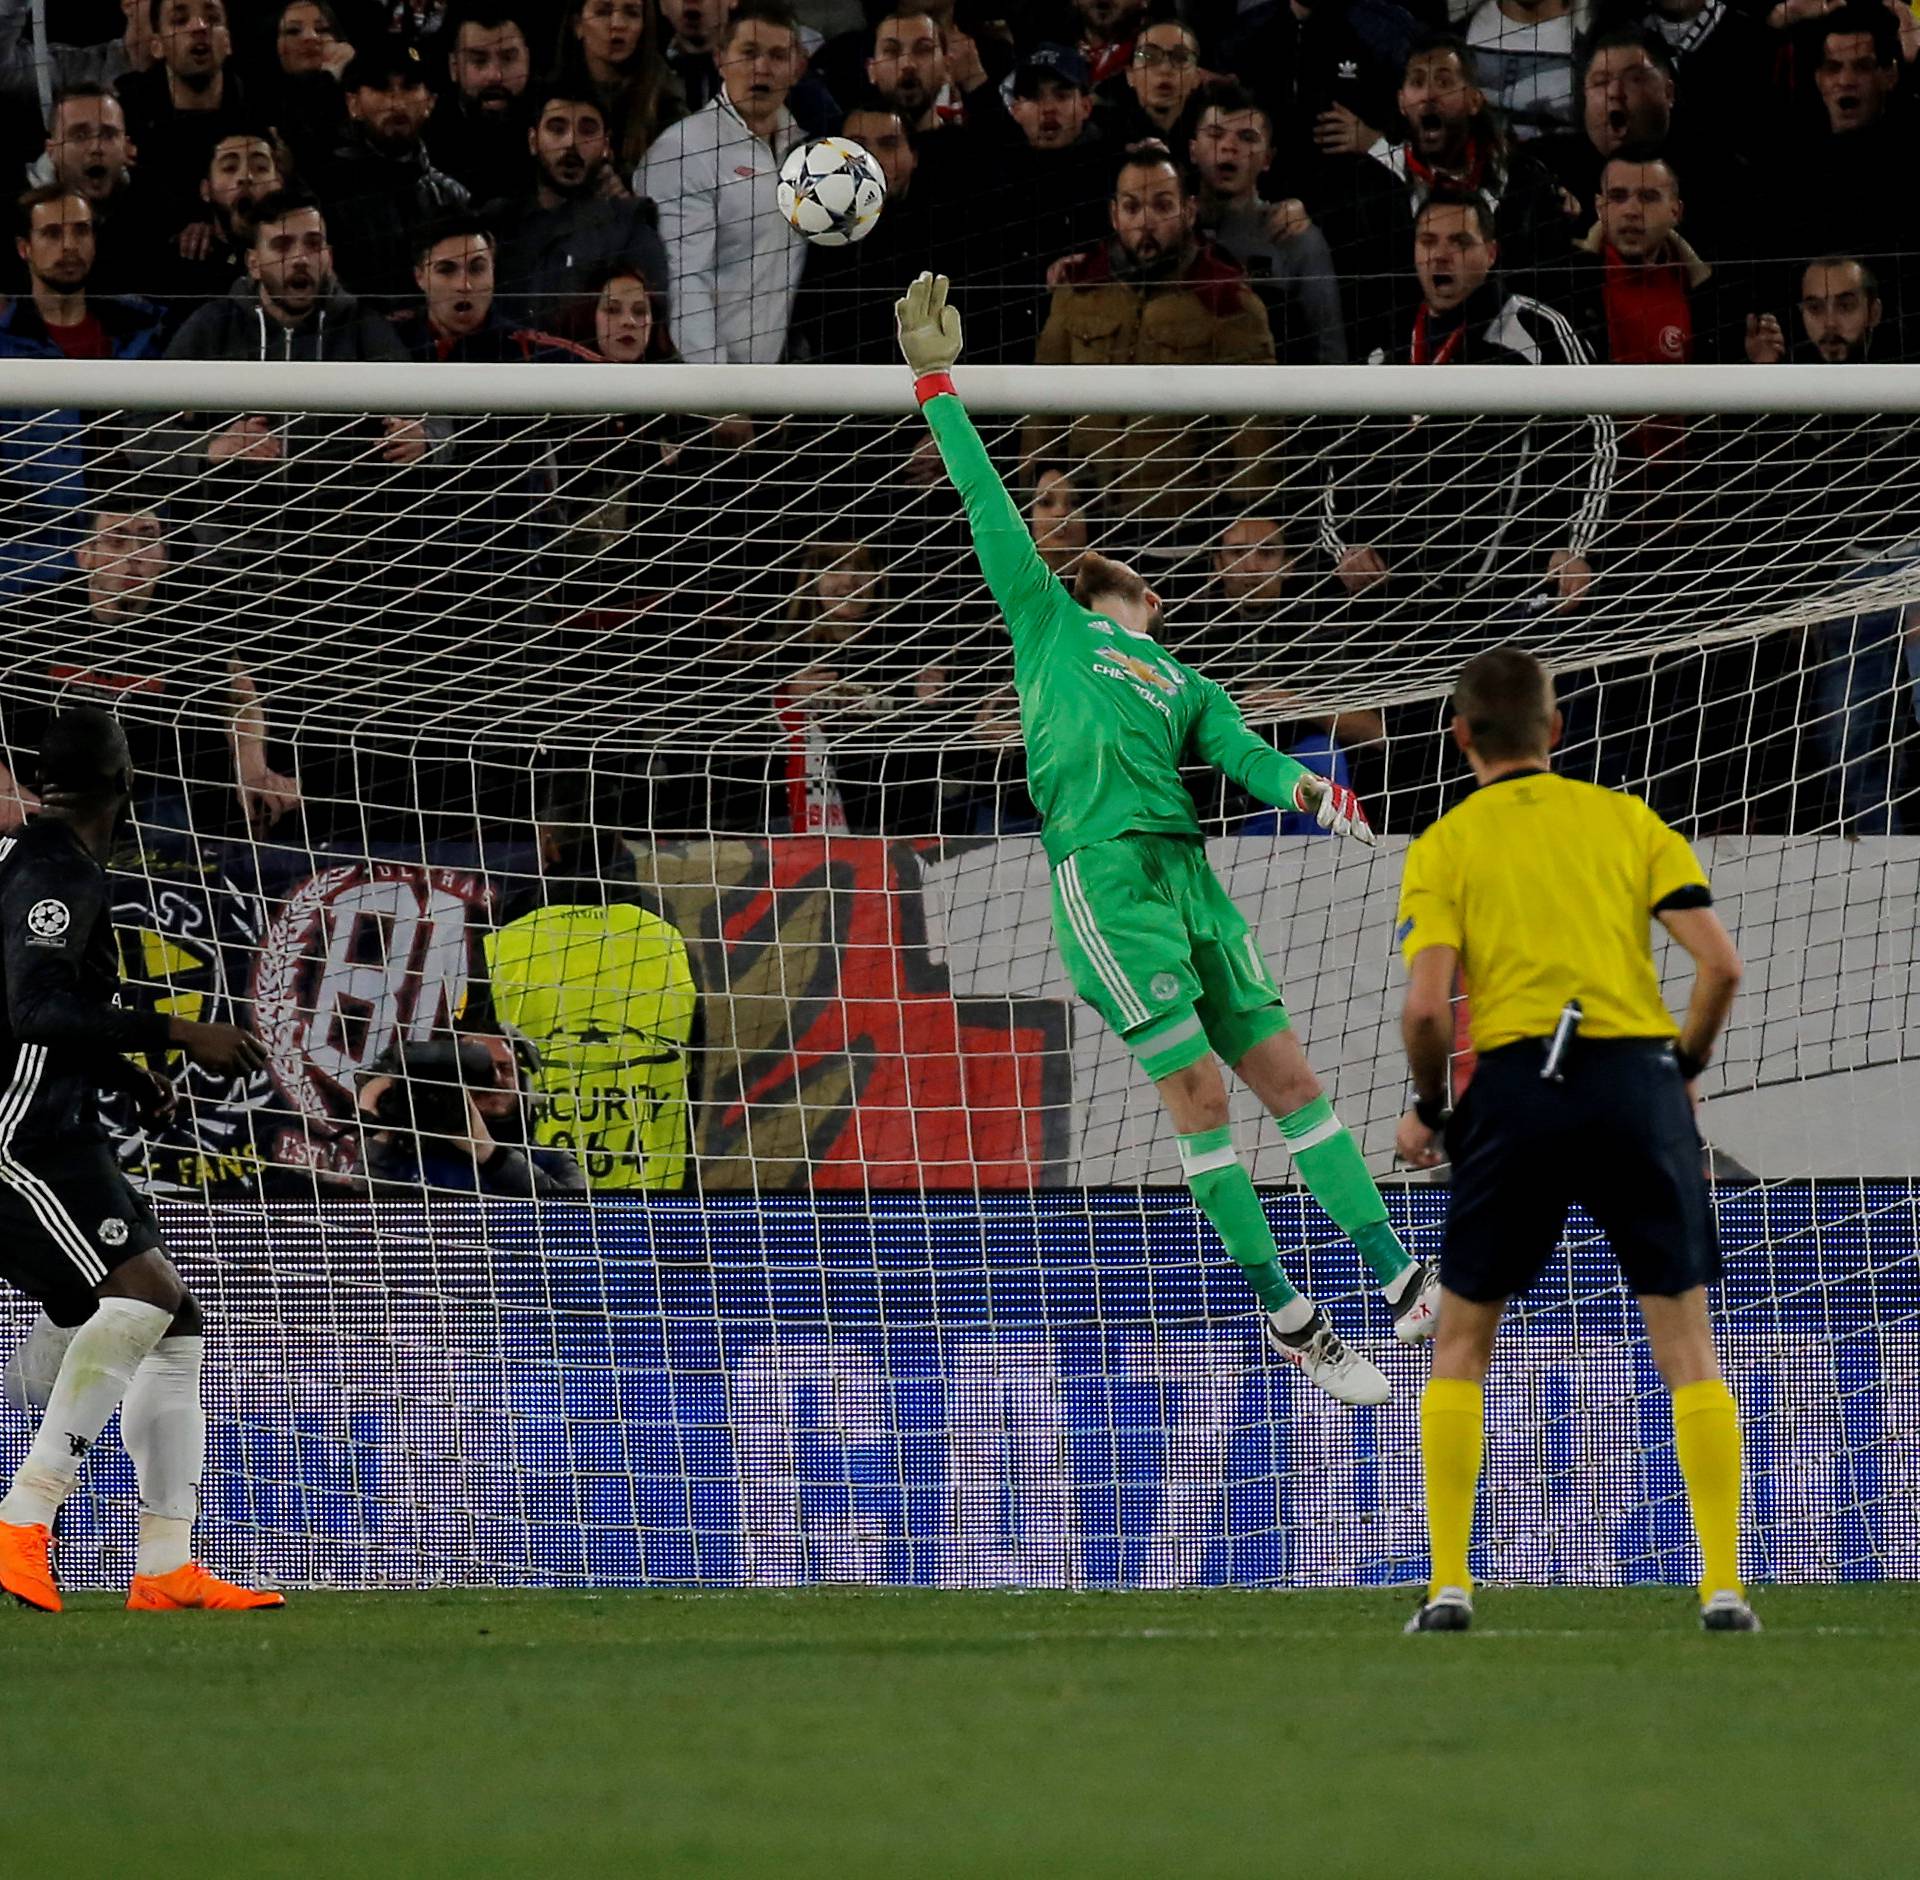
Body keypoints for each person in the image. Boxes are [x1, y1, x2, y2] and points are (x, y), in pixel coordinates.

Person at [897, 270, 1441, 1402]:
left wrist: (1310, 791)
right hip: (1106, 874)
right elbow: (991, 508)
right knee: (1200, 1098)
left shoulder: (1188, 678)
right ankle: (1286, 1307)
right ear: (1113, 587)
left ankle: (1396, 1275)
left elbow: (1247, 754)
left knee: (1295, 1079)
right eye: (1133, 577)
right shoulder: (1049, 619)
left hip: (1189, 873)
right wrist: (937, 383)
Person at [1392, 646, 1754, 1634]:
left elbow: (1427, 1009)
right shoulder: (1627, 819)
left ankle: (1454, 1583)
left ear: (1460, 734)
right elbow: (1718, 965)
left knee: (1464, 1338)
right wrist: (1678, 1069)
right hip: (1636, 1078)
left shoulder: (1446, 843)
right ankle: (1722, 1583)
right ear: (1556, 729)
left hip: (1518, 1084)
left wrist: (1433, 1107)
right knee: (1685, 1337)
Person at [0, 706, 283, 1614]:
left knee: (174, 1320)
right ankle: (23, 1519)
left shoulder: (41, 865)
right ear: (127, 785)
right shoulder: (56, 875)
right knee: (144, 1299)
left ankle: (164, 1565)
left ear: (44, 785)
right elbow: (33, 1010)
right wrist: (177, 1031)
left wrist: (125, 1069)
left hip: (55, 1121)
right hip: (19, 1133)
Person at [1324, 191, 1613, 629]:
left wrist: (1577, 547)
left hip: (1515, 599)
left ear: (1491, 252)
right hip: (1401, 606)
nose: (1441, 255)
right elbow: (1343, 459)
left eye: (1459, 242)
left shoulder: (1539, 331)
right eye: (1428, 242)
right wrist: (1345, 546)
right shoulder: (1388, 346)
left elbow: (1598, 441)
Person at [1029, 141, 1279, 533]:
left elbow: (1256, 430)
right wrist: (1037, 485)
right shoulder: (1077, 291)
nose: (1145, 222)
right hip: (1083, 527)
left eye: (1162, 206)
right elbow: (1042, 406)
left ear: (1189, 210)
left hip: (1182, 533)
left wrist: (1246, 518)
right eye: (1132, 207)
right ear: (1114, 215)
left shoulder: (1227, 301)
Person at [0, 189, 164, 593]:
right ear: (25, 248)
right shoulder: (4, 344)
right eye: (52, 234)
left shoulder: (145, 327)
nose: (70, 246)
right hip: (29, 570)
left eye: (81, 232)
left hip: (137, 563)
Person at [638, 0, 808, 365]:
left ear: (798, 68)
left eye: (778, 56)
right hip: (700, 390)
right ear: (720, 59)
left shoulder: (805, 152)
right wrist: (718, 389)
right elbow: (683, 278)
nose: (762, 68)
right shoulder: (682, 149)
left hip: (778, 385)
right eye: (749, 53)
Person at [1186, 80, 1346, 363]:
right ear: (1192, 150)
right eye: (1215, 134)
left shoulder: (1295, 237)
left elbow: (1329, 352)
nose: (1229, 147)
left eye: (1247, 137)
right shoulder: (1170, 231)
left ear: (1268, 158)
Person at [486, 87, 669, 329]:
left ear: (606, 146)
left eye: (587, 130)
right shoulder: (498, 222)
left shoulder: (630, 227)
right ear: (533, 141)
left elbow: (650, 328)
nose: (571, 143)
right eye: (557, 128)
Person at [312, 42, 470, 304]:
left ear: (430, 102)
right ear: (353, 104)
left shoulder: (453, 198)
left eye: (409, 88)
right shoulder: (324, 193)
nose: (396, 103)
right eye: (381, 88)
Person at [142, 126, 285, 318]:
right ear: (206, 190)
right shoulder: (178, 268)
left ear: (279, 184)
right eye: (229, 168)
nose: (246, 177)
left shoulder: (301, 259)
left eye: (260, 167)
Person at [557, 0, 691, 178]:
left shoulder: (667, 103)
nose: (618, 24)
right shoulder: (551, 96)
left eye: (632, 13)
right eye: (603, 12)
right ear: (577, 25)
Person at [425, 4, 537, 204]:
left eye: (508, 58)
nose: (495, 76)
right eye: (478, 61)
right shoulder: (426, 137)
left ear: (527, 59)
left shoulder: (552, 122)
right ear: (454, 67)